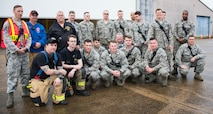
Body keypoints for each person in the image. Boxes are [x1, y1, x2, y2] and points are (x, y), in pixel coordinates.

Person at [3, 5, 32, 108]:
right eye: (18, 11)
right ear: (14, 11)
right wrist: (16, 49)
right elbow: (7, 39)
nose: (20, 13)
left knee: (25, 73)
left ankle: (24, 91)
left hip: (24, 53)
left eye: (22, 11)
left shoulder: (24, 23)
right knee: (12, 75)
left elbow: (29, 38)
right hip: (14, 54)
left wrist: (26, 48)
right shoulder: (8, 24)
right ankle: (10, 97)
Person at [29, 37, 67, 106]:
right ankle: (42, 90)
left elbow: (60, 69)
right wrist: (60, 72)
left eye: (55, 45)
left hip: (49, 77)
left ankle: (58, 99)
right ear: (46, 46)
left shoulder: (57, 55)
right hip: (38, 79)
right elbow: (48, 71)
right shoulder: (41, 56)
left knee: (62, 79)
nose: (54, 47)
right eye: (51, 45)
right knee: (40, 103)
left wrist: (59, 77)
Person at [147, 8, 175, 80]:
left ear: (161, 14)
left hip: (166, 46)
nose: (159, 15)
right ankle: (155, 73)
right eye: (157, 13)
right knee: (156, 60)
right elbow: (150, 35)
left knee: (168, 59)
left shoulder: (167, 24)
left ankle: (168, 73)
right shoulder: (153, 24)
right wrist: (150, 45)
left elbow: (170, 35)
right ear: (156, 14)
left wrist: (171, 44)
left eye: (160, 13)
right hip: (157, 46)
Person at [172, 10, 195, 75]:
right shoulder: (177, 22)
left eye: (186, 14)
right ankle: (175, 69)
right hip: (177, 42)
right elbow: (174, 31)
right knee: (175, 54)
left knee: (185, 55)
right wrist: (177, 38)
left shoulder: (191, 23)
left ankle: (183, 69)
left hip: (186, 42)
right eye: (183, 14)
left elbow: (191, 32)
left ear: (187, 15)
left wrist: (184, 39)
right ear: (182, 15)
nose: (184, 15)